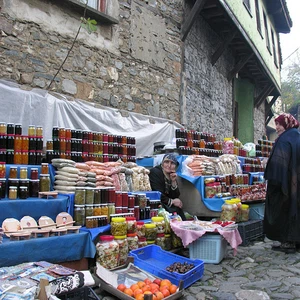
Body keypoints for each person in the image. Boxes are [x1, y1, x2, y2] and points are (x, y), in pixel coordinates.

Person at [264, 113, 300, 253]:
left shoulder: (284, 139)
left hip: (285, 184)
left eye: (279, 124)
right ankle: (295, 240)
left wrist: (273, 183)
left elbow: (278, 164)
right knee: (295, 209)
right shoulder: (297, 136)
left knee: (284, 209)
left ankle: (287, 242)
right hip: (296, 184)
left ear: (286, 124)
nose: (277, 127)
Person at [149, 153, 186, 220]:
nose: (169, 165)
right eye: (166, 162)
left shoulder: (170, 174)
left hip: (165, 202)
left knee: (178, 208)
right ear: (162, 163)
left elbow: (175, 195)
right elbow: (157, 193)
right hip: (156, 203)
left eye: (172, 163)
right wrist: (172, 201)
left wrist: (173, 181)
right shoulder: (155, 172)